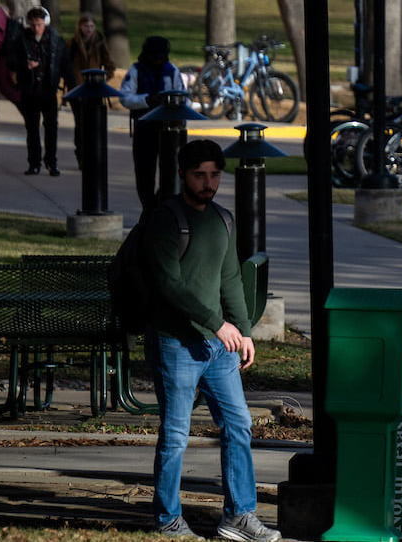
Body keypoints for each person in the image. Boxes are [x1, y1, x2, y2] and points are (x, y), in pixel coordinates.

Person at [142, 140, 279, 542]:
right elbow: (169, 285)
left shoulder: (222, 219)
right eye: (200, 174)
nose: (208, 183)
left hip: (219, 348)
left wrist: (243, 328)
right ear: (183, 174)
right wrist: (218, 324)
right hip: (176, 344)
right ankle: (168, 520)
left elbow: (230, 278)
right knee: (175, 434)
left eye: (215, 175)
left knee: (239, 424)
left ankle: (239, 517)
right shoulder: (164, 219)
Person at [119, 36, 185, 211]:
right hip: (144, 129)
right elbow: (125, 98)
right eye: (154, 56)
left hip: (168, 131)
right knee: (144, 174)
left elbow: (183, 97)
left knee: (171, 173)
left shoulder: (172, 71)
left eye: (161, 57)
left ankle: (161, 205)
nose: (157, 60)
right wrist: (147, 100)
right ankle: (148, 208)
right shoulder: (136, 71)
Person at [6, 6, 65, 176]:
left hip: (48, 89)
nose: (36, 28)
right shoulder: (22, 39)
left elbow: (63, 63)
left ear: (44, 23)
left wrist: (69, 85)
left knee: (51, 127)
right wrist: (25, 65)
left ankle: (51, 162)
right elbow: (11, 61)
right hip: (30, 90)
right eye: (32, 25)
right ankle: (34, 162)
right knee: (32, 128)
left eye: (39, 24)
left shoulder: (54, 39)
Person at [64, 16, 112, 93]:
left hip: (95, 86)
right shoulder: (72, 44)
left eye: (92, 26)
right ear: (80, 26)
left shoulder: (100, 44)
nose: (89, 30)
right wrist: (70, 80)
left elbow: (109, 65)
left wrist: (102, 79)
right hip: (76, 86)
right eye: (86, 26)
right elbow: (65, 64)